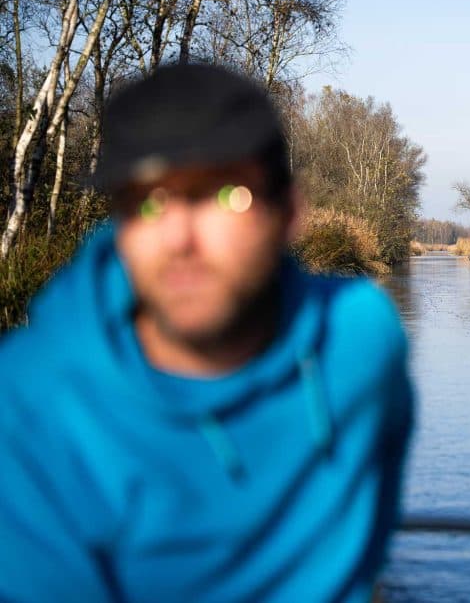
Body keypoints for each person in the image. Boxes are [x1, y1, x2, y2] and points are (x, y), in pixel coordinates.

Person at [0, 64, 415, 601]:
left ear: (289, 212)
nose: (178, 238)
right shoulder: (28, 403)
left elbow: (370, 541)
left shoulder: (360, 338)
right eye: (146, 202)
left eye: (224, 195)